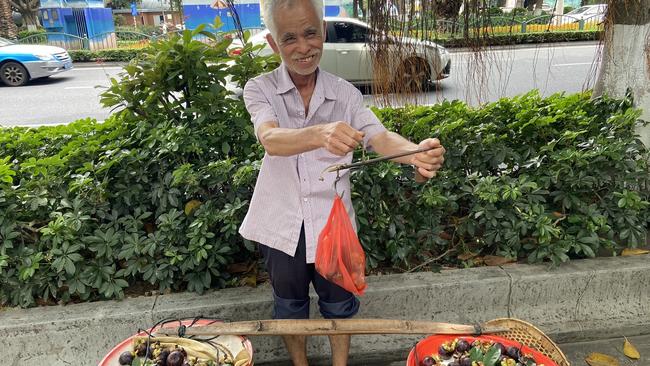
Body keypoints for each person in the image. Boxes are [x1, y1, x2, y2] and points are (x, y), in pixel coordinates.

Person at [239, 0, 446, 364]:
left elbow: (379, 138)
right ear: (273, 44)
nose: (303, 47)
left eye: (310, 33)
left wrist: (414, 152)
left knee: (340, 303)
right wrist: (321, 133)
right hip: (281, 222)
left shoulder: (345, 94)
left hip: (334, 224)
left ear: (322, 31)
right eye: (289, 38)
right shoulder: (259, 89)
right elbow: (270, 139)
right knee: (290, 307)